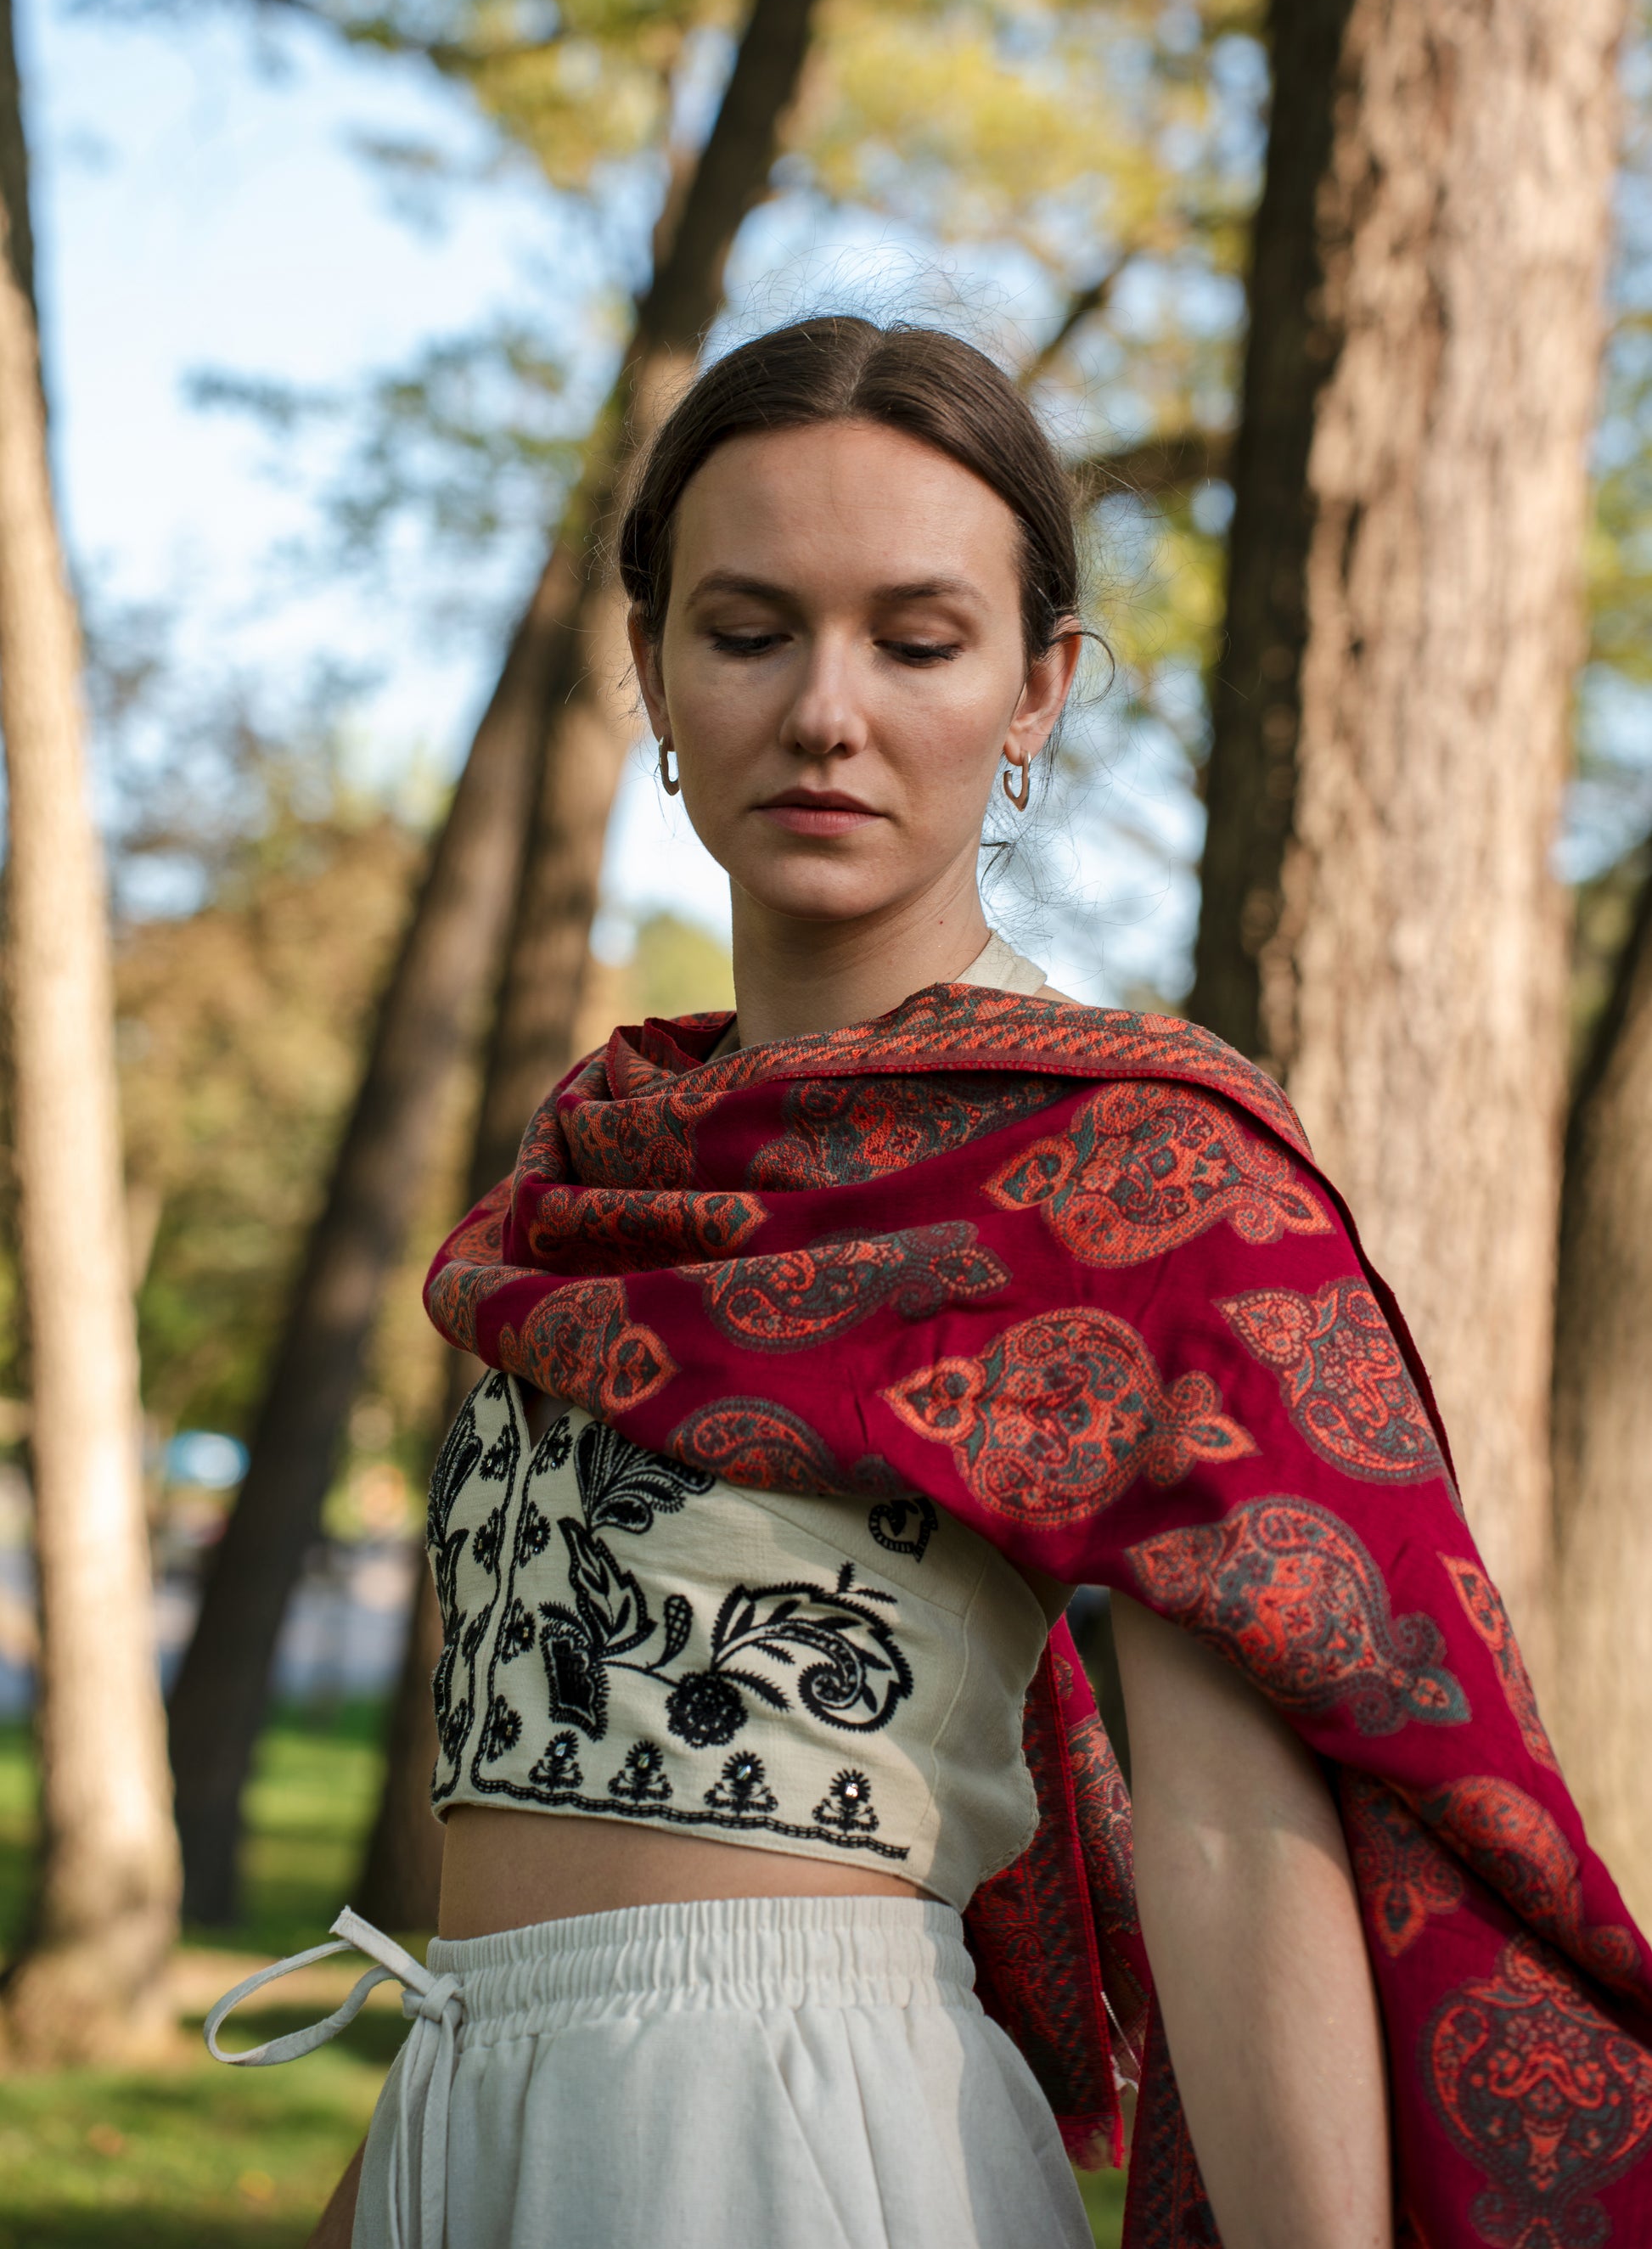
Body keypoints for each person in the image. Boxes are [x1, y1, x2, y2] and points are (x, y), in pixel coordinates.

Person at [210, 317, 1652, 2249]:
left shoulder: (1139, 1176)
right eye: (746, 630)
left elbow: (1236, 1837)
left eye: (915, 638)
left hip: (800, 2142)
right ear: (650, 665)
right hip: (468, 2125)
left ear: (1037, 687)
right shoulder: (591, 1180)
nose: (825, 709)